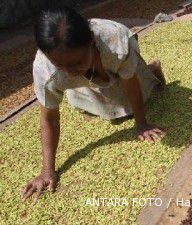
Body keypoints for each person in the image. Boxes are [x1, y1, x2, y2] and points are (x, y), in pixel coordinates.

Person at [21, 6, 166, 203]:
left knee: (133, 102)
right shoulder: (45, 70)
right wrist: (47, 170)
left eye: (76, 62)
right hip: (90, 72)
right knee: (100, 110)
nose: (69, 70)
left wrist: (141, 123)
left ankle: (150, 70)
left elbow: (131, 85)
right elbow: (50, 119)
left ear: (91, 42)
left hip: (118, 61)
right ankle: (93, 82)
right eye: (60, 65)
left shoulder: (114, 42)